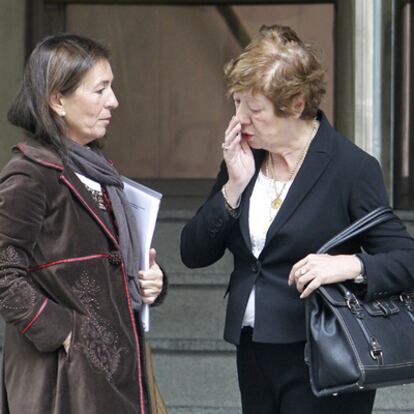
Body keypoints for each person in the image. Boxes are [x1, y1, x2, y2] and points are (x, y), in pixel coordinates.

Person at [180, 24, 414, 414]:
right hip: (254, 349)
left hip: (325, 350)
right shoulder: (246, 158)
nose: (240, 119)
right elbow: (193, 253)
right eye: (236, 103)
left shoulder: (351, 168)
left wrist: (348, 264)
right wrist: (233, 187)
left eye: (253, 109)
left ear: (296, 103)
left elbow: (406, 258)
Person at [0, 33, 166, 414]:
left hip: (114, 370)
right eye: (100, 90)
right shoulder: (30, 175)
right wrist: (64, 332)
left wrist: (152, 279)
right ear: (57, 100)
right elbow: (3, 271)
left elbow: (104, 256)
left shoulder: (97, 171)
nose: (114, 101)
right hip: (60, 382)